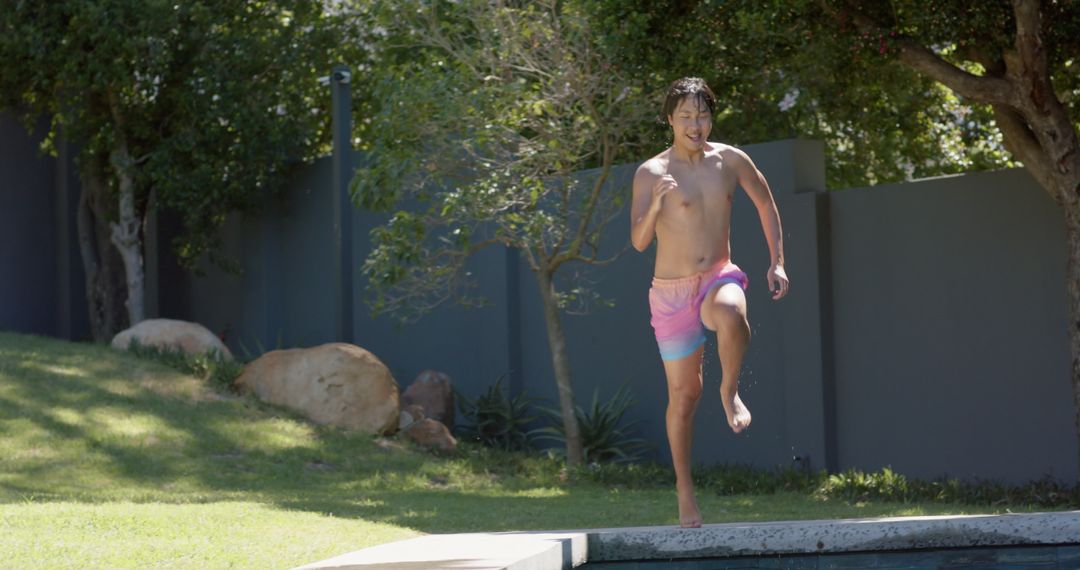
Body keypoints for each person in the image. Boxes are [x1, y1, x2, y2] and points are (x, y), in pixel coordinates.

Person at [630, 77, 789, 528]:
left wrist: (777, 262)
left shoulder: (730, 160)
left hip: (718, 275)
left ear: (711, 117)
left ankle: (731, 389)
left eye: (702, 115)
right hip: (671, 293)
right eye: (685, 117)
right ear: (670, 120)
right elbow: (639, 241)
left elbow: (766, 202)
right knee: (683, 398)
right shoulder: (651, 173)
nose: (695, 125)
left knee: (733, 312)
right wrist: (658, 206)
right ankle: (684, 490)